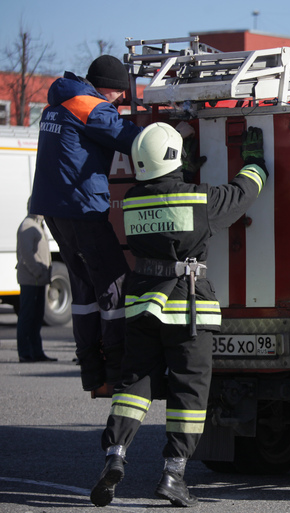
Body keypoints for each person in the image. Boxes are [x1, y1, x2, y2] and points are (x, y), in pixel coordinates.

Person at [90, 122, 268, 508]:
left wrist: (179, 167)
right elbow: (242, 193)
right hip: (188, 309)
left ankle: (115, 454)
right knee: (188, 390)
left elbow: (165, 198)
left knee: (135, 383)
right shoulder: (199, 201)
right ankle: (173, 474)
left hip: (142, 306)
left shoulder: (134, 199)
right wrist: (255, 163)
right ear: (174, 158)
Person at [28, 55, 142, 392]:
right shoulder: (90, 106)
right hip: (82, 210)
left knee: (85, 290)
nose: (122, 101)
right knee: (115, 284)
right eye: (121, 95)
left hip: (54, 210)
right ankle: (120, 373)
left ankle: (95, 375)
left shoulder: (58, 103)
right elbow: (134, 140)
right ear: (109, 88)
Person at [15, 208, 56, 362]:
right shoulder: (28, 226)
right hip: (31, 280)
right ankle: (25, 353)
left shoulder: (38, 225)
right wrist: (38, 272)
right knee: (27, 316)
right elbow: (27, 255)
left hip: (38, 280)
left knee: (37, 317)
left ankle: (36, 351)